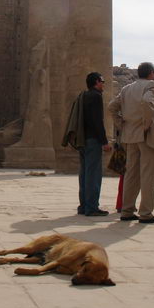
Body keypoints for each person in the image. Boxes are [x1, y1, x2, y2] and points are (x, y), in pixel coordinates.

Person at [109, 62, 154, 223]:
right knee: (147, 174)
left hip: (130, 135)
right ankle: (146, 213)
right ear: (151, 73)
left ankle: (127, 210)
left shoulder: (127, 89)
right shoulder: (150, 86)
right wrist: (146, 124)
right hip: (145, 135)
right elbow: (147, 103)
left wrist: (121, 124)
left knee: (131, 173)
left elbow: (112, 107)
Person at [63, 72, 111, 216]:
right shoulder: (96, 96)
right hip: (92, 140)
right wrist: (104, 141)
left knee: (84, 173)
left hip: (82, 139)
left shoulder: (83, 96)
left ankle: (83, 205)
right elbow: (97, 121)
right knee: (93, 174)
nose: (104, 84)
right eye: (102, 81)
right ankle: (91, 207)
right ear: (96, 82)